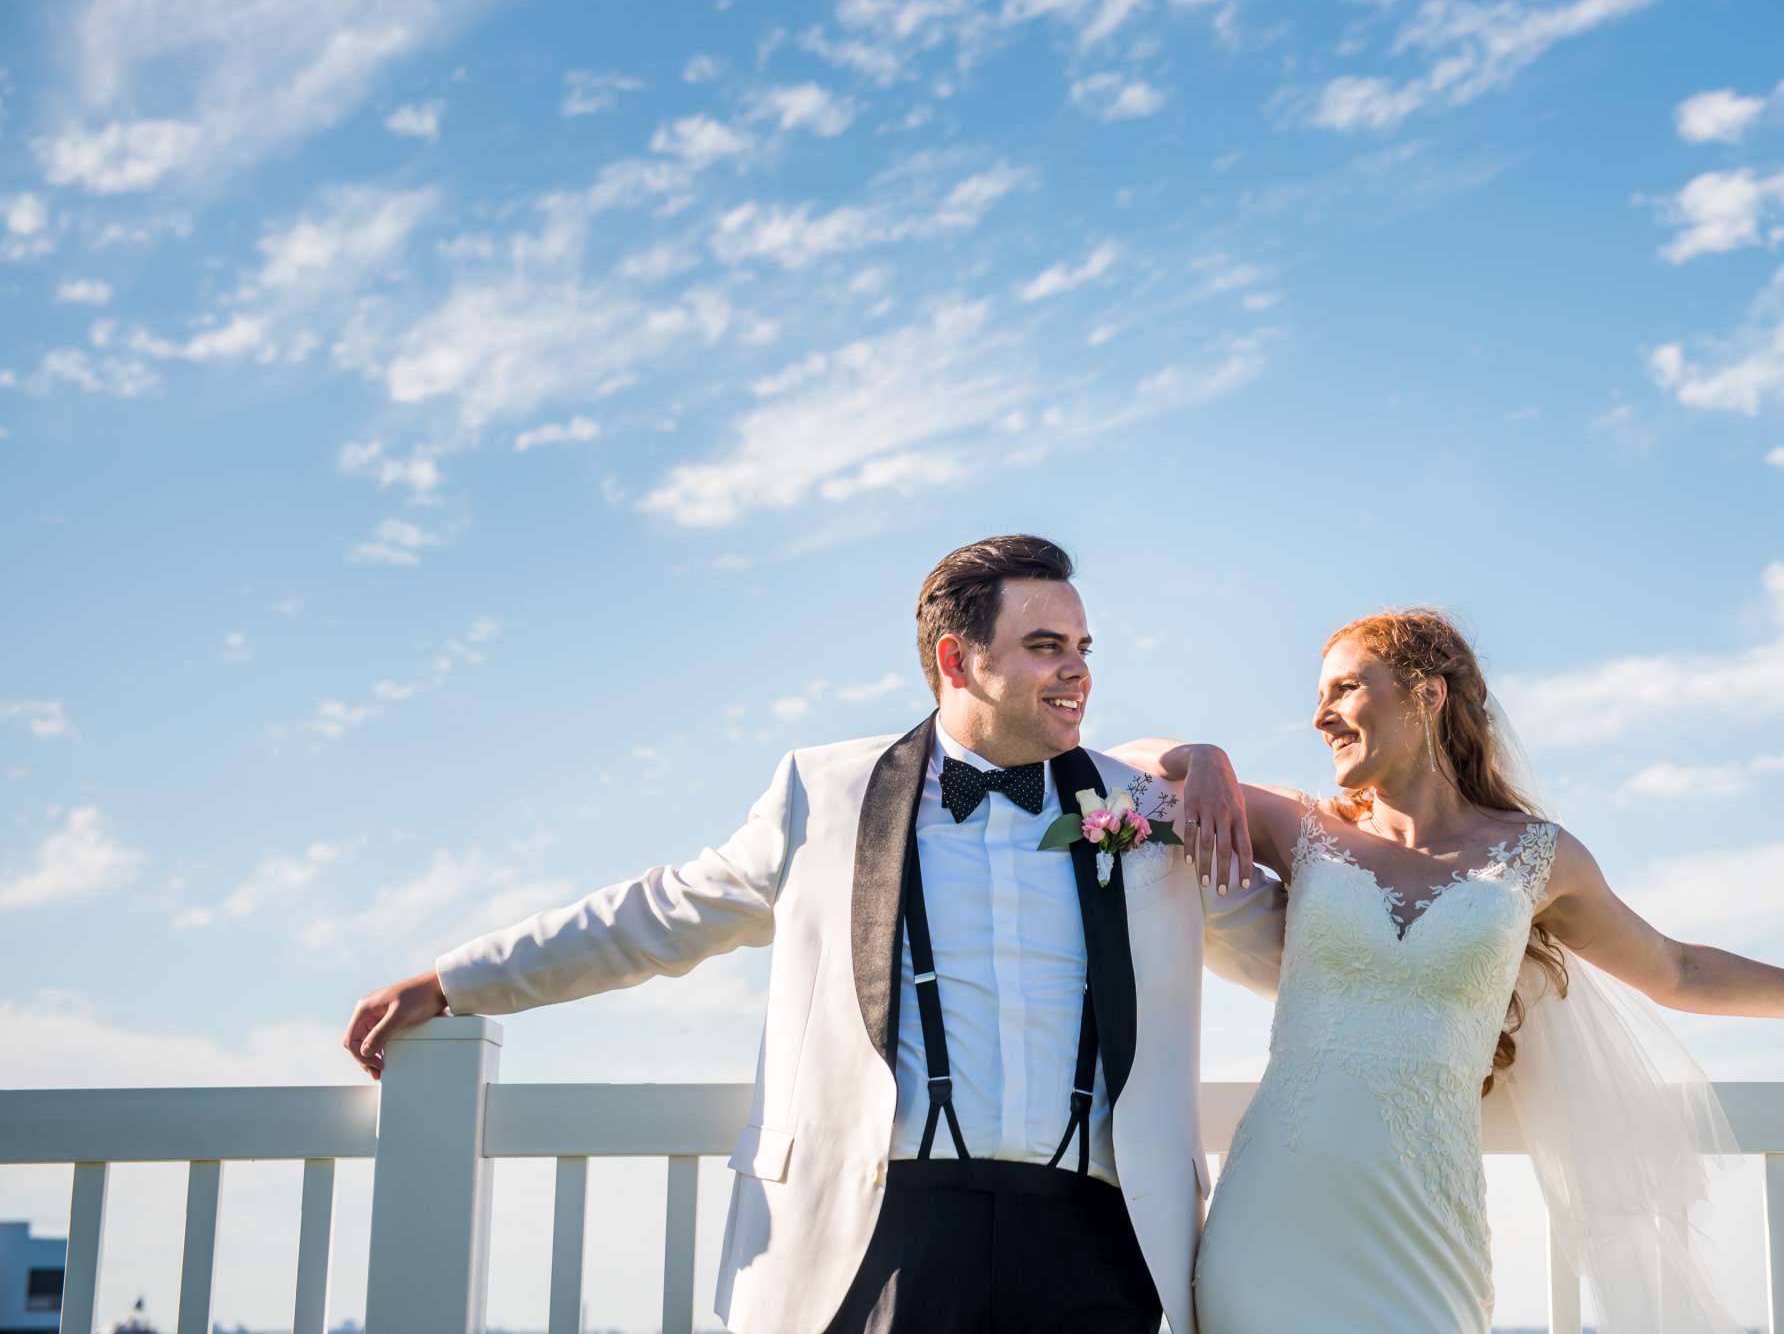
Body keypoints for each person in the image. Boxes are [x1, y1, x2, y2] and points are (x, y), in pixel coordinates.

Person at [340, 535, 1282, 1334]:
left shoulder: (1148, 811)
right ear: (958, 661)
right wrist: (454, 981)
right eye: (1044, 646)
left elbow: (1300, 957)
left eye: (1082, 644)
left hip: (1096, 1237)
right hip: (882, 1229)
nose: (1077, 669)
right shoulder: (822, 793)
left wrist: (1418, 934)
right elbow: (660, 914)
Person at [1111, 607, 1784, 1334]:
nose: (1320, 715)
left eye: (1347, 688)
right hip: (1274, 1223)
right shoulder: (1307, 833)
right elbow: (1117, 771)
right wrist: (1204, 756)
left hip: (1423, 1234)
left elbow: (1678, 968)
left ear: (1428, 695)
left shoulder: (1538, 857)